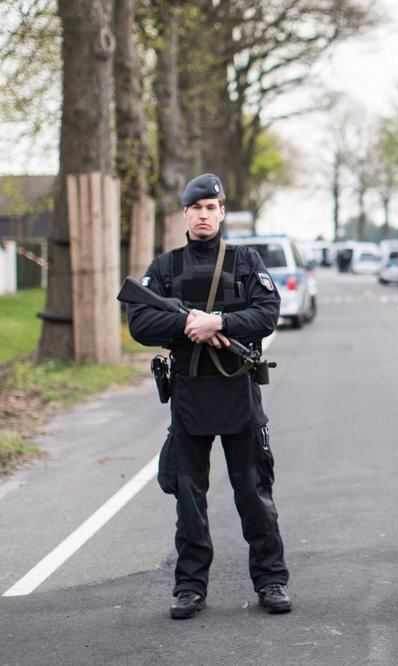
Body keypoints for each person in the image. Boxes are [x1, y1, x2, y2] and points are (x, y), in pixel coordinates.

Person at [128, 174, 291, 619]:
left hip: (238, 393)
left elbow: (268, 312)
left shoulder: (245, 260)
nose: (203, 215)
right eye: (196, 208)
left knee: (254, 495)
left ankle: (272, 580)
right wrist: (185, 325)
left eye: (211, 208)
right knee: (188, 498)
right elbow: (139, 322)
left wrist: (218, 322)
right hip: (189, 395)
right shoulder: (164, 267)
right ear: (185, 213)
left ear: (222, 213)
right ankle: (189, 588)